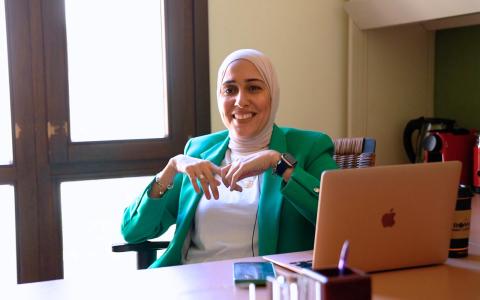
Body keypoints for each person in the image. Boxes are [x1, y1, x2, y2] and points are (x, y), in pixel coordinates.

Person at [121, 49, 338, 268]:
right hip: (187, 283)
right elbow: (133, 231)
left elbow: (343, 222)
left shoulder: (309, 147)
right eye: (230, 90)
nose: (240, 101)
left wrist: (277, 163)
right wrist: (171, 167)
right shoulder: (198, 149)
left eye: (253, 88)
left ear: (272, 94)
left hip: (261, 286)